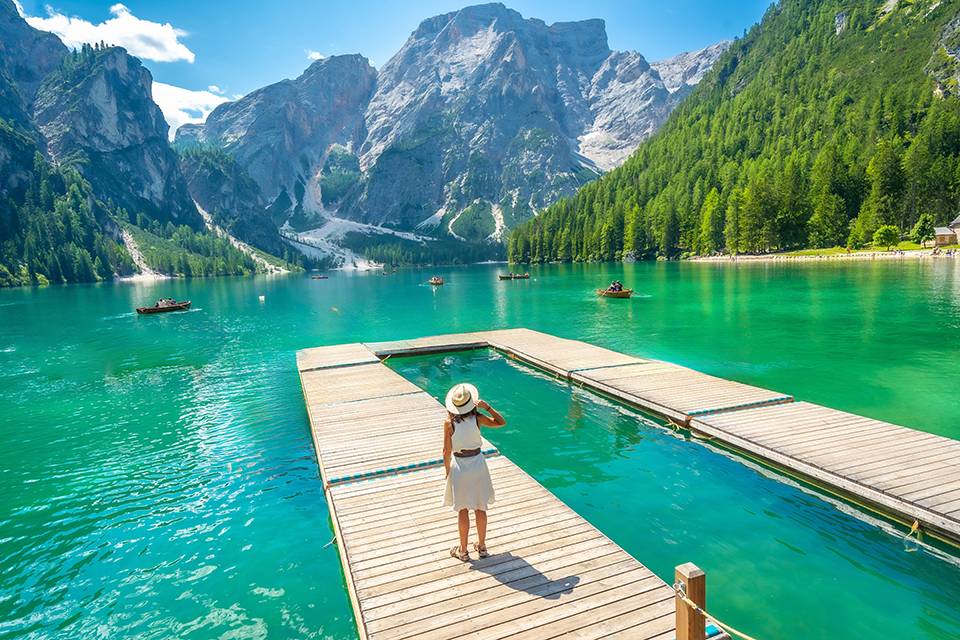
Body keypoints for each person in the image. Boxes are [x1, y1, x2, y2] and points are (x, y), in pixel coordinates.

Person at [442, 382, 506, 562]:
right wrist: (488, 408)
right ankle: (482, 546)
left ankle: (463, 551)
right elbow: (501, 422)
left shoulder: (449, 424)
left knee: (462, 509)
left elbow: (446, 452)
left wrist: (448, 472)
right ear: (471, 403)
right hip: (478, 464)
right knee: (480, 507)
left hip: (460, 466)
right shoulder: (478, 419)